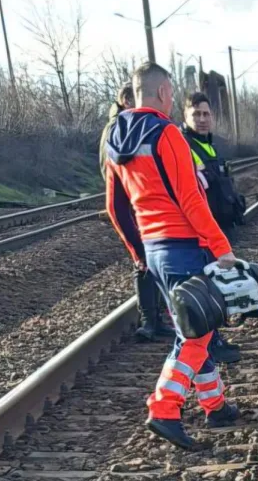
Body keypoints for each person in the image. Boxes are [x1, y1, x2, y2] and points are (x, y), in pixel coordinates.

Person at [104, 62, 240, 449]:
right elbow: (191, 200)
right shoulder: (166, 133)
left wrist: (138, 253)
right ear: (164, 93)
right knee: (197, 332)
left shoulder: (115, 137)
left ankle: (215, 405)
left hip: (154, 248)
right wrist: (221, 247)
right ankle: (165, 407)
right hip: (182, 246)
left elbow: (115, 207)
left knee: (192, 326)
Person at [99, 82, 174, 343]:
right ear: (129, 102)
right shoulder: (117, 129)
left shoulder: (127, 125)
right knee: (142, 260)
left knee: (150, 261)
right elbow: (111, 172)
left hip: (138, 204)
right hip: (132, 205)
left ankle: (156, 318)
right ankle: (149, 321)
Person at [180, 92, 245, 364]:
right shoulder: (184, 146)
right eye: (196, 114)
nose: (202, 119)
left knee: (215, 284)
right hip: (201, 232)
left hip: (217, 226)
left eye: (206, 114)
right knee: (206, 287)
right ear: (185, 117)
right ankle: (210, 344)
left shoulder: (209, 146)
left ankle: (213, 339)